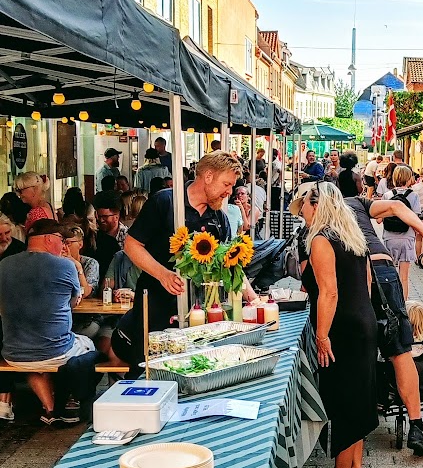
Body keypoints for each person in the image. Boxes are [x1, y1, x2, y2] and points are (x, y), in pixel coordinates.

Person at [292, 181, 423, 458]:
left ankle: (355, 432)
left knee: (360, 353)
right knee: (400, 350)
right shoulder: (357, 204)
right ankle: (417, 425)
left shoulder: (315, 233)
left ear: (312, 204)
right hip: (382, 268)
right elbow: (397, 206)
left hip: (356, 284)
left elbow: (314, 286)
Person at [113, 152, 253, 369]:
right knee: (150, 367)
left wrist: (253, 299)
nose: (229, 192)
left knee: (192, 365)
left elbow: (230, 263)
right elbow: (131, 245)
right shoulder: (165, 202)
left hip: (197, 309)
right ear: (208, 176)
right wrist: (164, 275)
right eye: (226, 184)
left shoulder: (219, 218)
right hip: (155, 303)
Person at [297, 182, 378, 468]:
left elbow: (329, 292)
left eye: (304, 204)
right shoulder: (351, 235)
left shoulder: (321, 240)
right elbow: (366, 282)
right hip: (363, 321)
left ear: (316, 206)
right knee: (358, 398)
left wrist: (321, 335)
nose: (301, 210)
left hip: (341, 326)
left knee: (344, 400)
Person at [0, 220, 98, 425]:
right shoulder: (65, 265)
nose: (63, 246)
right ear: (48, 239)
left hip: (14, 354)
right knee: (89, 344)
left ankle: (51, 410)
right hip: (56, 351)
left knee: (34, 361)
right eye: (61, 241)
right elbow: (73, 302)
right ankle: (75, 401)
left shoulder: (4, 265)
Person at [383, 165, 422, 300]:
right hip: (407, 238)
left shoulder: (387, 195)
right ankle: (403, 306)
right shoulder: (414, 196)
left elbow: (379, 219)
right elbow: (415, 219)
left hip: (389, 237)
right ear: (409, 178)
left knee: (389, 274)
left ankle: (390, 302)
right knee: (404, 277)